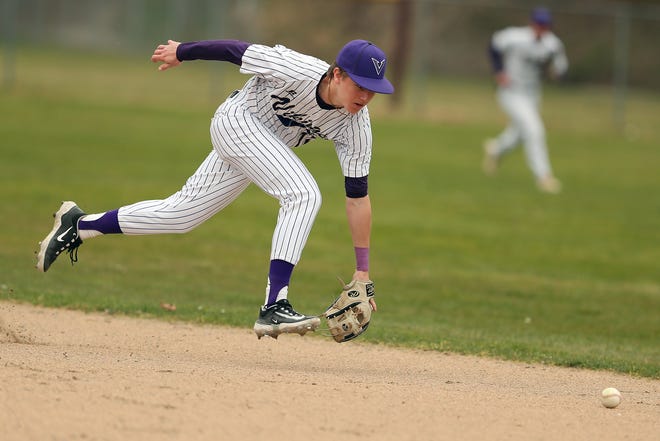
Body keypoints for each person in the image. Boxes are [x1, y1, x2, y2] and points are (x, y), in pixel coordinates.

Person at [36, 38, 392, 339]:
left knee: (181, 215)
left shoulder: (356, 127)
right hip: (237, 121)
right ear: (336, 74)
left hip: (263, 148)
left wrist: (363, 270)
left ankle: (79, 225)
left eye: (373, 90)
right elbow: (236, 50)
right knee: (303, 193)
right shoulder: (296, 69)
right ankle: (274, 305)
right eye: (359, 85)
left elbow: (358, 198)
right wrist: (183, 51)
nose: (365, 96)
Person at [483, 7, 568, 194]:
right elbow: (494, 45)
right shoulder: (516, 37)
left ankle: (495, 150)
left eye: (545, 25)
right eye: (539, 24)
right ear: (532, 23)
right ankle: (543, 176)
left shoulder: (552, 45)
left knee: (520, 133)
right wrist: (499, 71)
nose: (541, 28)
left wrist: (556, 73)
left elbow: (561, 69)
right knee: (534, 129)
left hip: (533, 94)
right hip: (512, 91)